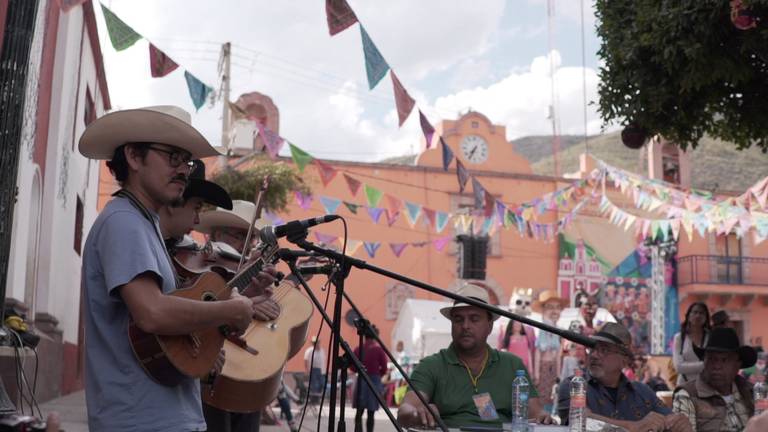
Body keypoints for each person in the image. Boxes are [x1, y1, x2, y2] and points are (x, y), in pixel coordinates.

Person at [78, 105, 277, 432]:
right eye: (173, 157)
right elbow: (152, 312)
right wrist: (230, 310)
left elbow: (163, 327)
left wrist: (208, 340)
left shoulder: (144, 223)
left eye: (187, 160)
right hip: (141, 420)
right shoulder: (124, 221)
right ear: (133, 156)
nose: (185, 169)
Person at [397, 284, 553, 428]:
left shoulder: (512, 365)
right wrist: (416, 413)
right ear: (452, 325)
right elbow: (406, 409)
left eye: (474, 318)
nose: (465, 325)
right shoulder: (431, 365)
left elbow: (535, 414)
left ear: (489, 325)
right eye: (458, 319)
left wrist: (544, 417)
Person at [195, 199, 280, 432]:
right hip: (210, 369)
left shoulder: (251, 273)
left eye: (249, 238)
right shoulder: (197, 267)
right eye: (236, 235)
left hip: (246, 369)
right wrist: (248, 307)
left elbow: (269, 313)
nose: (245, 244)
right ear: (213, 235)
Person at [557, 322, 692, 432]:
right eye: (592, 348)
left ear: (625, 360)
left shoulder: (643, 392)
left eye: (604, 350)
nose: (594, 355)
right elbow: (581, 420)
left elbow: (670, 419)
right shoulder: (573, 385)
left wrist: (679, 422)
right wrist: (635, 427)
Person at [672, 327, 757, 432]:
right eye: (711, 359)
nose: (716, 366)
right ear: (704, 361)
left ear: (737, 365)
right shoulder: (687, 395)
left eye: (724, 360)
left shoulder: (750, 391)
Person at [531, 290, 566, 410]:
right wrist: (536, 373)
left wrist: (558, 373)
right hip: (543, 366)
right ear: (544, 310)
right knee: (542, 394)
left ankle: (549, 416)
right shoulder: (542, 329)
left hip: (552, 367)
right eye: (550, 307)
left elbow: (558, 354)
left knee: (552, 394)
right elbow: (538, 352)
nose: (554, 311)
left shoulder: (556, 330)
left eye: (557, 307)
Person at [351, 325, 388, 432]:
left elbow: (352, 366)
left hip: (361, 380)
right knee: (371, 413)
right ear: (375, 336)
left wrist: (360, 371)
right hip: (374, 381)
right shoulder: (379, 350)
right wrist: (377, 374)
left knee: (359, 411)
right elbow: (384, 368)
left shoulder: (358, 349)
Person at [673, 302, 711, 385]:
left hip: (706, 385)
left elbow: (712, 365)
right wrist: (703, 365)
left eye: (701, 313)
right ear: (688, 316)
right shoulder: (680, 338)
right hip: (684, 385)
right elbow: (678, 367)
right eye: (695, 312)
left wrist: (686, 366)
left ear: (706, 317)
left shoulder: (711, 337)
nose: (698, 316)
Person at [304, 335, 327, 401]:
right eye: (315, 342)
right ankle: (314, 400)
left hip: (322, 371)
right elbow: (306, 360)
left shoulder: (322, 350)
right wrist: (307, 370)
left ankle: (317, 399)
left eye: (317, 342)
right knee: (314, 385)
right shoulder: (310, 350)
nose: (316, 343)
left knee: (321, 384)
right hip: (314, 370)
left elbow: (323, 360)